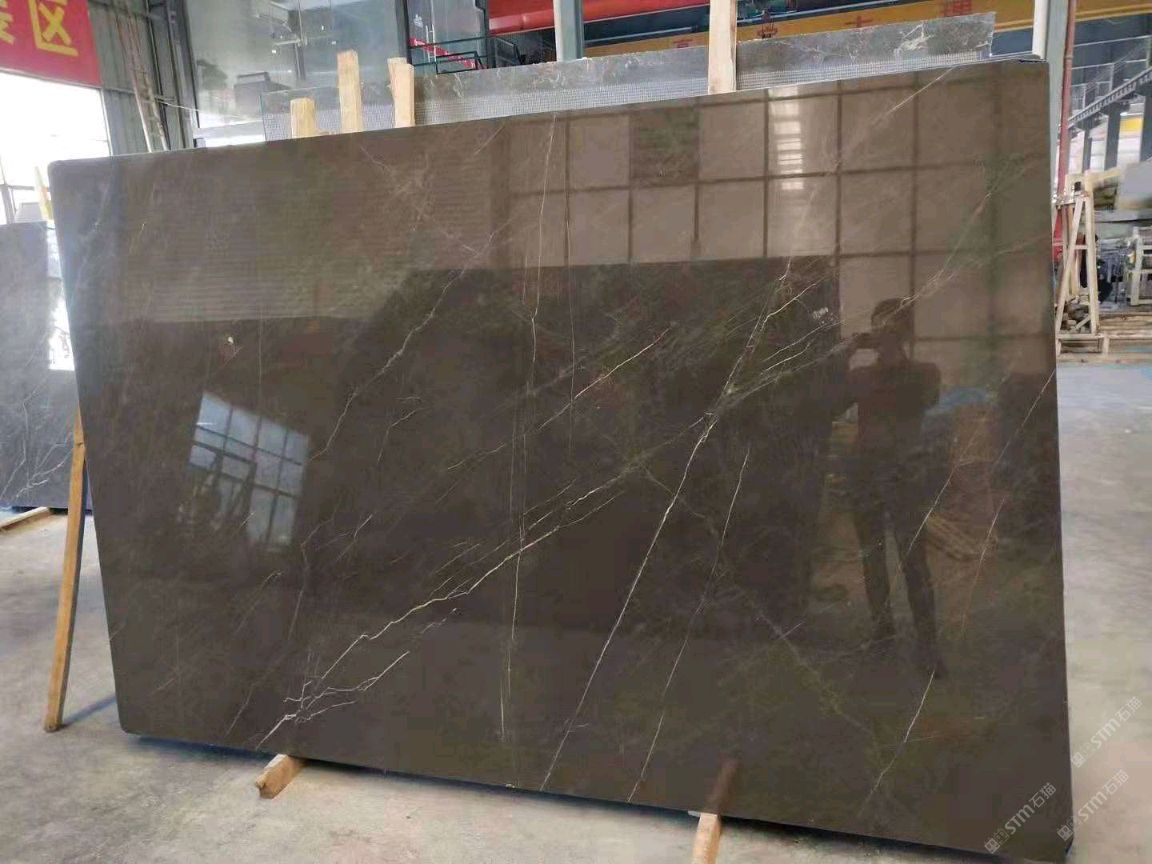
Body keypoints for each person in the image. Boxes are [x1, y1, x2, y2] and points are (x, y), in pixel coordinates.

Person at [843, 299, 944, 676]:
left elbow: (922, 399)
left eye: (889, 325)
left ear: (904, 331)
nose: (881, 331)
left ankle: (927, 643)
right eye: (877, 325)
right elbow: (828, 400)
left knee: (912, 559)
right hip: (865, 471)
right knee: (872, 557)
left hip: (903, 473)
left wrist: (887, 361)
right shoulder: (860, 376)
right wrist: (846, 353)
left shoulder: (924, 374)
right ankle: (882, 633)